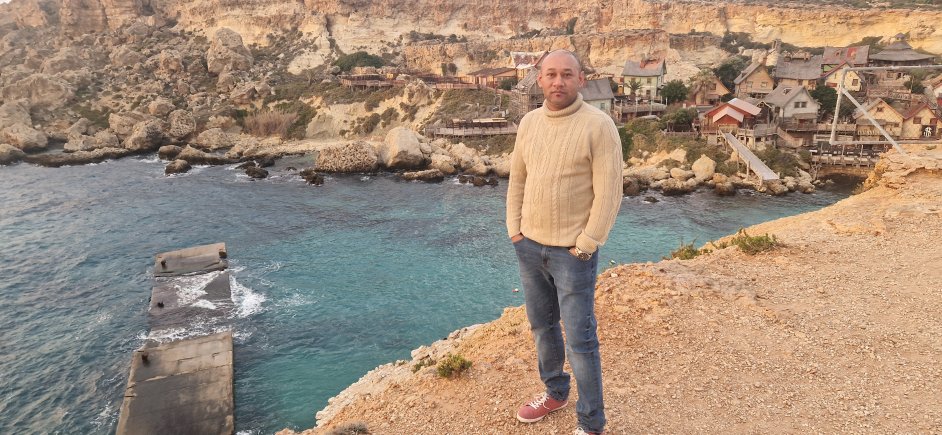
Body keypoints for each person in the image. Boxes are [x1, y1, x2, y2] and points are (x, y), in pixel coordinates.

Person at [506, 49, 623, 435]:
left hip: (573, 254)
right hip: (529, 246)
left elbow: (609, 193)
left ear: (581, 79)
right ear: (539, 79)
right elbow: (518, 179)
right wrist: (514, 230)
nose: (558, 82)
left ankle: (591, 423)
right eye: (551, 74)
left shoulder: (598, 125)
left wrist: (587, 244)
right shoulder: (529, 123)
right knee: (542, 328)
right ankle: (555, 393)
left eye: (567, 74)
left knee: (580, 341)